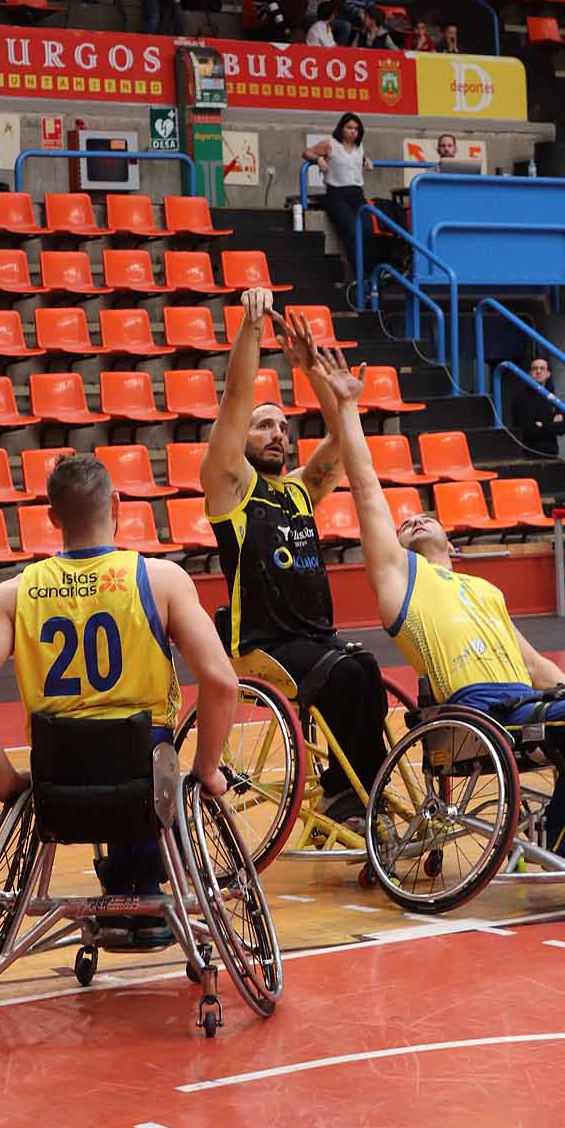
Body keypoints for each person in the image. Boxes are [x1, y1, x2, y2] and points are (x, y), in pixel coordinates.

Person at [313, 345, 565, 860]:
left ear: (454, 545)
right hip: (476, 717)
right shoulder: (402, 581)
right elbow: (366, 489)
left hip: (524, 703)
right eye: (406, 524)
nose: (415, 518)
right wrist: (349, 408)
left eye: (427, 517)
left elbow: (534, 664)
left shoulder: (485, 591)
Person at [0, 454, 237, 944]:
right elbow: (222, 682)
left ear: (52, 516)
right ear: (117, 505)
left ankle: (126, 887)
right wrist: (206, 770)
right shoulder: (161, 581)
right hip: (145, 777)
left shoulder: (13, 594)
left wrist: (6, 781)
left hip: (60, 779)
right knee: (159, 768)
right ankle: (146, 888)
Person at [200, 288, 389, 821]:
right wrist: (253, 328)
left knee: (367, 668)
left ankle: (351, 789)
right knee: (349, 672)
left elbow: (342, 438)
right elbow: (235, 399)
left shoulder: (302, 489)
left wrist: (309, 369)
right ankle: (359, 798)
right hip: (262, 644)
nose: (278, 433)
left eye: (284, 427)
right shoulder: (231, 487)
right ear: (242, 439)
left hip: (315, 641)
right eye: (265, 426)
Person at [303, 111, 377, 273]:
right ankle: (359, 274)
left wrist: (367, 160)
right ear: (341, 128)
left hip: (357, 194)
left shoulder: (359, 147)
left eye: (356, 129)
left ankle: (371, 273)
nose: (353, 131)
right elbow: (307, 152)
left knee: (368, 232)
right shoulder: (330, 144)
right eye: (349, 127)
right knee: (351, 231)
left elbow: (355, 160)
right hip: (337, 194)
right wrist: (319, 159)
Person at [511, 356, 565, 456]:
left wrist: (542, 425)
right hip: (528, 454)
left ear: (548, 374)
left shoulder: (553, 398)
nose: (538, 371)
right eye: (534, 368)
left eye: (542, 368)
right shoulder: (521, 398)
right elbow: (527, 429)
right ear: (529, 373)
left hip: (551, 453)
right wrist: (552, 424)